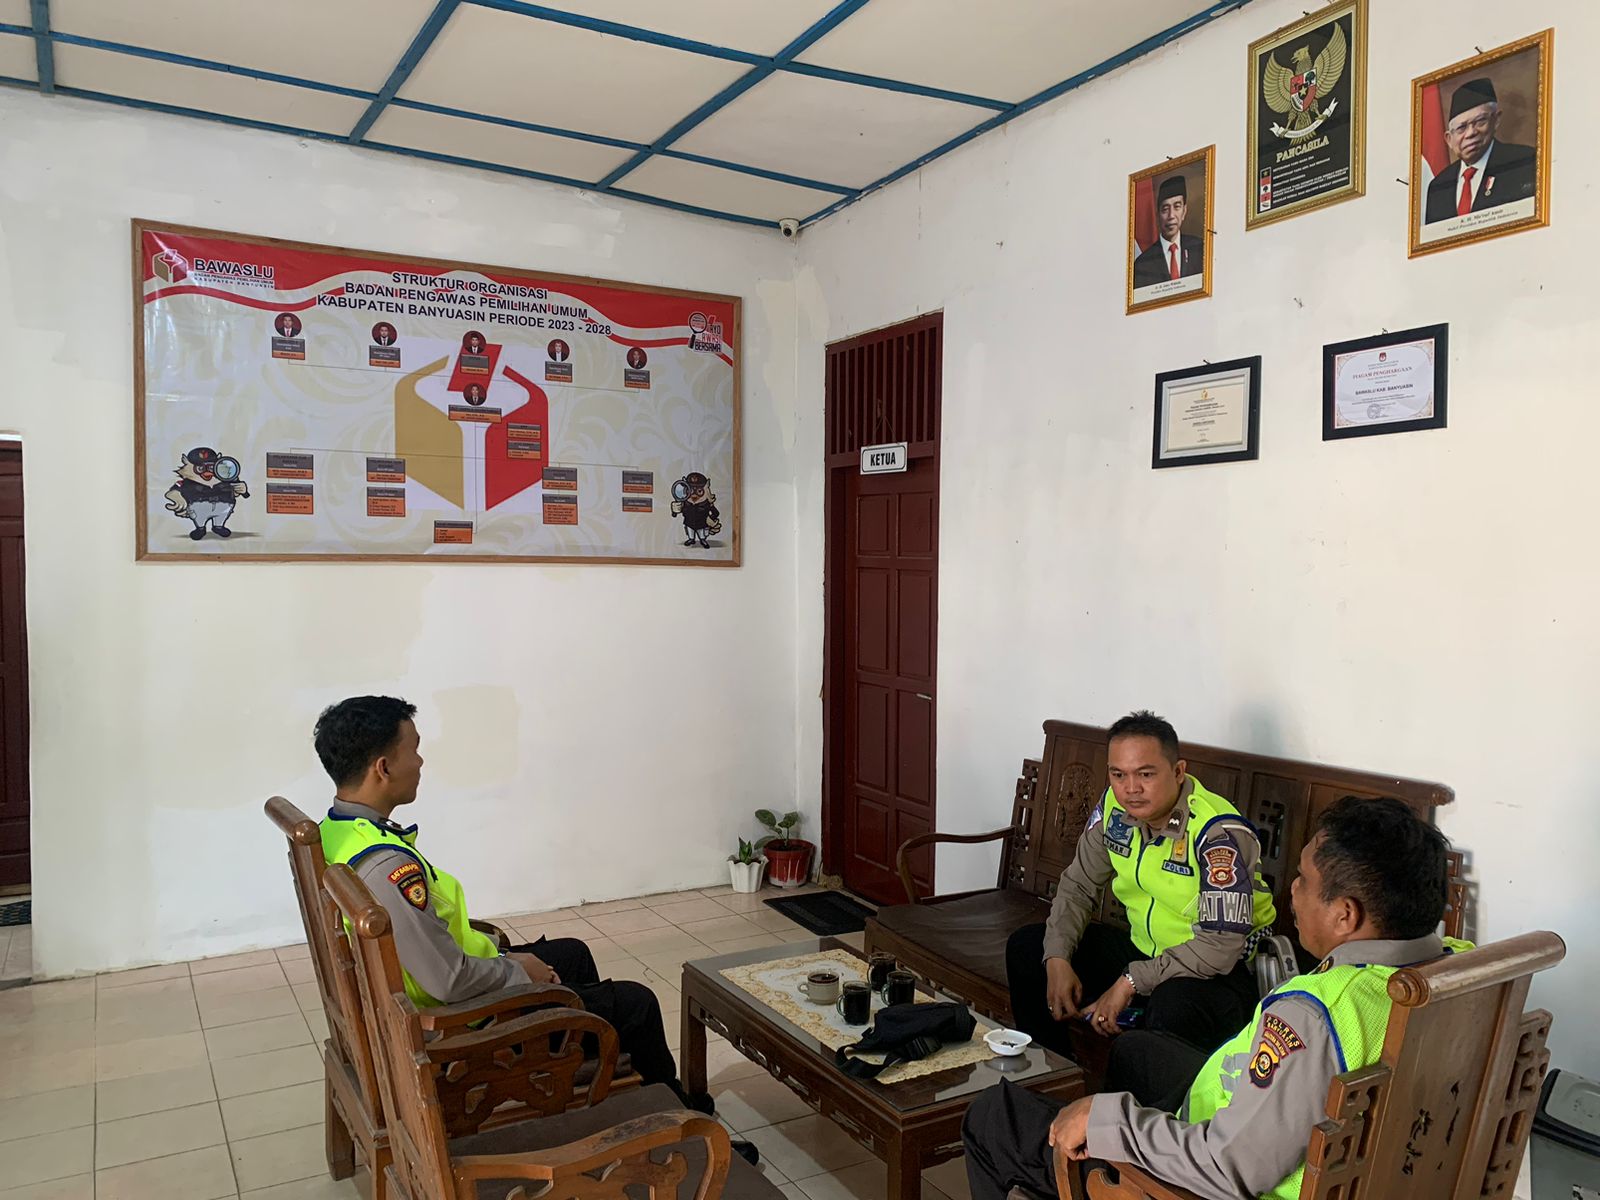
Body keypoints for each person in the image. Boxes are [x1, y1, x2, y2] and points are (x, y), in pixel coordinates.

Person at [312, 695, 758, 1161]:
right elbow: (448, 981)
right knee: (637, 1004)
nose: (421, 762)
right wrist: (518, 971)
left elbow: (434, 951)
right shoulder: (386, 868)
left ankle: (595, 1090)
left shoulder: (338, 832)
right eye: (415, 749)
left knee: (572, 953)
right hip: (456, 1024)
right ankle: (686, 1133)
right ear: (383, 768)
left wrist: (509, 958)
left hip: (425, 993)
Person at [964, 796, 1470, 1200]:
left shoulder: (1313, 1014)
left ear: (1345, 914)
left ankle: (1111, 1177)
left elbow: (1231, 1167)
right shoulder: (1460, 968)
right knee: (1137, 1051)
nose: (1291, 891)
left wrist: (1105, 1120)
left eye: (1303, 880)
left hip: (1220, 1176)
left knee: (993, 1115)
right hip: (1298, 1139)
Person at [1006, 712, 1275, 1089]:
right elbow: (1078, 885)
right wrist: (1058, 957)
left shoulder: (1217, 832)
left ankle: (1142, 1116)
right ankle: (1056, 1080)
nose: (1130, 788)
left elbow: (1220, 946)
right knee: (1029, 949)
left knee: (1171, 1005)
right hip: (1145, 952)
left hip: (1220, 974)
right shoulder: (1114, 810)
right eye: (1118, 774)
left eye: (1145, 774)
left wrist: (1132, 980)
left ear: (1178, 771)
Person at [1424, 78, 1537, 224]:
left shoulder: (1525, 162)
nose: (1471, 133)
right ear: (1449, 139)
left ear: (1496, 120)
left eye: (1480, 121)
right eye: (1461, 128)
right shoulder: (1438, 186)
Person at [1133, 176, 1204, 288]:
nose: (1171, 216)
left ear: (1184, 211)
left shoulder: (1200, 249)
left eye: (1177, 207)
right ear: (1157, 215)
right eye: (1165, 209)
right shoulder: (1142, 263)